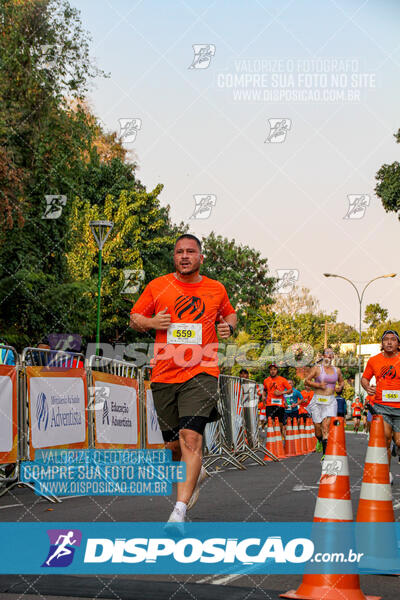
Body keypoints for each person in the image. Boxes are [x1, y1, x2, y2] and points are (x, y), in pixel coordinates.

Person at [130, 234, 236, 528]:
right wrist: (152, 323)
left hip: (202, 370)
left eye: (191, 251)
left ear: (201, 257)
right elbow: (135, 317)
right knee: (174, 448)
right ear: (174, 257)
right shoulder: (157, 286)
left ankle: (178, 512)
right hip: (164, 374)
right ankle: (196, 473)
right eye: (179, 252)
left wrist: (227, 327)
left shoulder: (216, 288)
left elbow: (230, 315)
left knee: (191, 437)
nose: (185, 256)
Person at [361, 330, 400, 483]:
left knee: (398, 441)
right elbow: (365, 378)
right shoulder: (374, 360)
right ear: (382, 344)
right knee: (385, 440)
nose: (389, 342)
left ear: (398, 344)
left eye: (393, 340)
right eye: (386, 340)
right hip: (381, 406)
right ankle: (386, 474)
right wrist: (367, 387)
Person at [305, 347, 344, 458]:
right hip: (317, 401)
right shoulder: (317, 369)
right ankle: (319, 440)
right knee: (318, 429)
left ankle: (325, 456)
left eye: (332, 353)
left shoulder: (337, 370)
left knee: (326, 427)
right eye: (327, 353)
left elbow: (341, 382)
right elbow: (306, 381)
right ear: (323, 356)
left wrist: (339, 388)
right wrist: (318, 385)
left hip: (330, 401)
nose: (330, 355)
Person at [263, 364, 292, 437]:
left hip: (279, 405)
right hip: (270, 404)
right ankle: (273, 438)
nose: (272, 371)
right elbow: (265, 390)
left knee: (280, 424)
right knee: (270, 421)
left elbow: (290, 390)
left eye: (274, 369)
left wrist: (281, 392)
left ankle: (279, 436)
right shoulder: (266, 380)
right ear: (269, 371)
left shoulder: (282, 380)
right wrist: (263, 396)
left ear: (277, 370)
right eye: (271, 369)